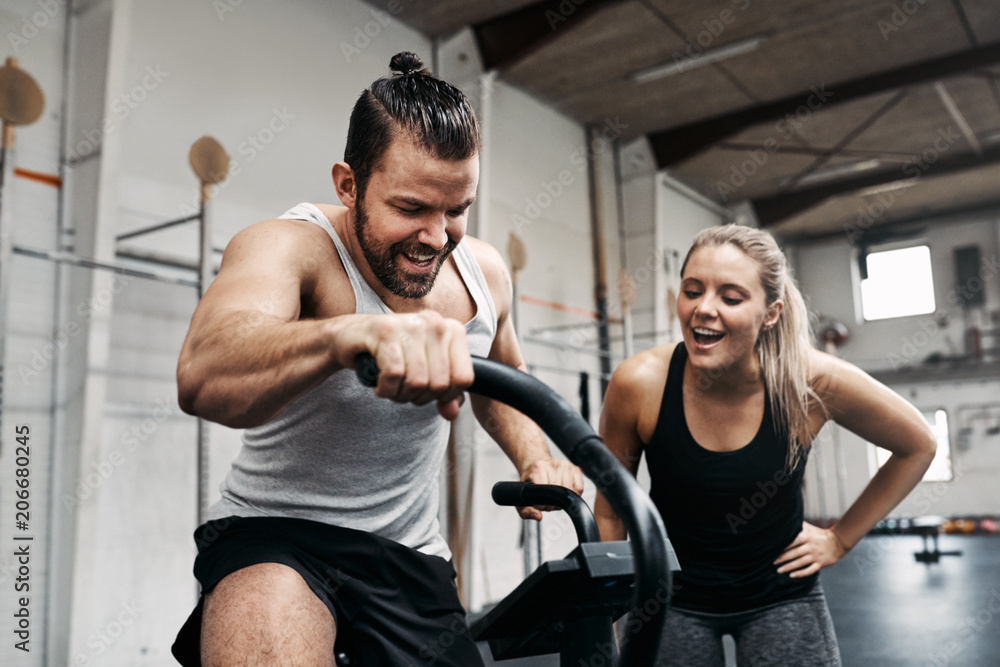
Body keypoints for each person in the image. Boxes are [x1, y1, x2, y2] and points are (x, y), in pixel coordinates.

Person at [170, 52, 582, 667]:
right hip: (276, 535)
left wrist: (535, 457)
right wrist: (347, 336)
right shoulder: (291, 247)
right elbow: (205, 370)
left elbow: (503, 377)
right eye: (411, 208)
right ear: (348, 184)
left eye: (457, 211)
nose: (437, 238)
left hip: (410, 556)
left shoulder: (483, 274)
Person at [594, 224, 936, 666]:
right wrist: (615, 606)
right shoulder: (639, 382)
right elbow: (609, 504)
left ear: (770, 313)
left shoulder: (809, 382)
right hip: (670, 599)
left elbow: (918, 444)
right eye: (692, 291)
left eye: (731, 298)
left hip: (782, 597)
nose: (704, 309)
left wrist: (840, 539)